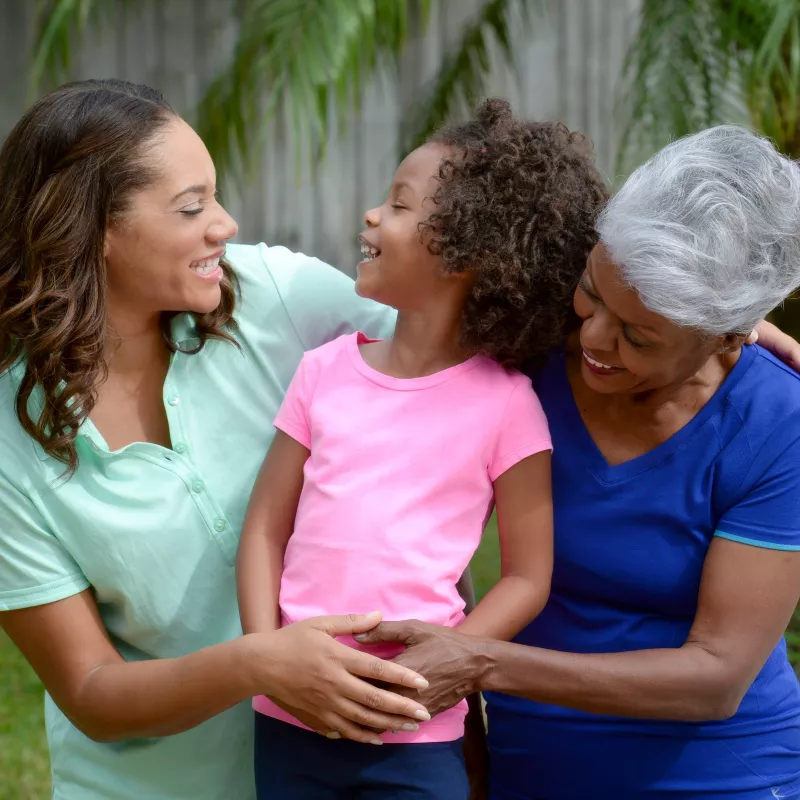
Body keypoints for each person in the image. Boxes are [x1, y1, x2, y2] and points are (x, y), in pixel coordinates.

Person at [0, 79, 434, 800]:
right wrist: (258, 663)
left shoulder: (276, 297)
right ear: (94, 230)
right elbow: (90, 690)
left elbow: (450, 361)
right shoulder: (11, 438)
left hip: (337, 778)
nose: (226, 226)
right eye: (192, 207)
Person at [359, 125, 800, 800]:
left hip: (720, 777)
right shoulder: (525, 345)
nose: (592, 337)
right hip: (528, 768)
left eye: (637, 336)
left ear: (727, 336)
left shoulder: (776, 423)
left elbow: (716, 676)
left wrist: (481, 663)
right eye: (592, 292)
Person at [237, 99, 584, 799]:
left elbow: (527, 577)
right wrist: (264, 656)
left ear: (468, 253)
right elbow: (264, 530)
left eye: (398, 204)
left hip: (417, 729)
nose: (371, 216)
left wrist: (444, 666)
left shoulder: (508, 405)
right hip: (290, 715)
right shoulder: (323, 371)